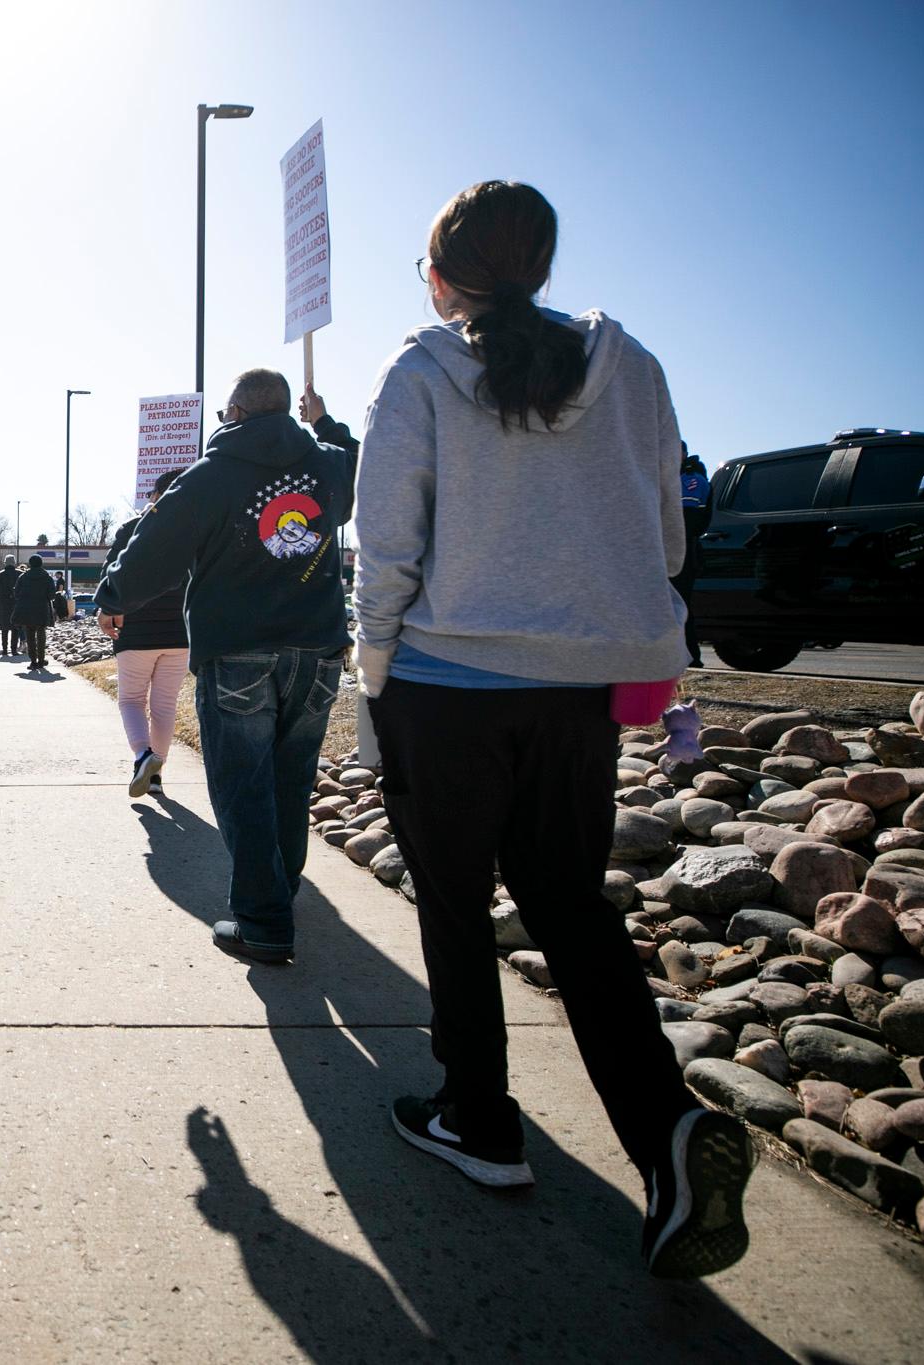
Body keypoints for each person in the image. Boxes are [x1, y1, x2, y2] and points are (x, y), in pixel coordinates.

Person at [354, 180, 749, 1277]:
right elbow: (666, 525)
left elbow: (383, 546)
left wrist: (372, 677)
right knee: (570, 905)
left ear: (443, 275)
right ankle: (664, 1130)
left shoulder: (420, 372)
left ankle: (476, 1117)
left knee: (451, 895)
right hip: (579, 691)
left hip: (445, 680)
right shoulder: (634, 370)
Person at [95, 369, 357, 964]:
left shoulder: (209, 477)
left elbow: (153, 550)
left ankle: (264, 921)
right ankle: (280, 890)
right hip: (316, 653)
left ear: (235, 411)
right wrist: (324, 425)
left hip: (238, 650)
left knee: (243, 787)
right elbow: (359, 461)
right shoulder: (327, 470)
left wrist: (112, 598)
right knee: (291, 780)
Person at [100, 468, 191, 798]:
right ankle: (156, 775)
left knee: (131, 701)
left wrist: (107, 609)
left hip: (135, 629)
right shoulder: (195, 532)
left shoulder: (131, 530)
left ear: (155, 496)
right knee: (164, 706)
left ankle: (143, 756)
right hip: (181, 633)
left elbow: (111, 573)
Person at [674, 444, 711, 668]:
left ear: (684, 454)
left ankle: (691, 657)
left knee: (680, 604)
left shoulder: (691, 479)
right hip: (672, 548)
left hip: (684, 550)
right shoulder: (672, 476)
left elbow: (687, 519)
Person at [10, 553, 57, 669]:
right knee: (41, 635)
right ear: (41, 563)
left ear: (30, 564)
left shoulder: (23, 577)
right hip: (42, 610)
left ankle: (33, 661)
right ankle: (41, 660)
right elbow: (52, 595)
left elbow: (16, 594)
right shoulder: (47, 577)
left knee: (30, 636)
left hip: (26, 609)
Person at [0, 554, 21, 655]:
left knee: (4, 627)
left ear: (5, 563)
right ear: (14, 563)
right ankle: (14, 650)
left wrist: (2, 594)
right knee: (15, 627)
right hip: (16, 603)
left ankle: (4, 649)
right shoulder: (20, 574)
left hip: (3, 603)